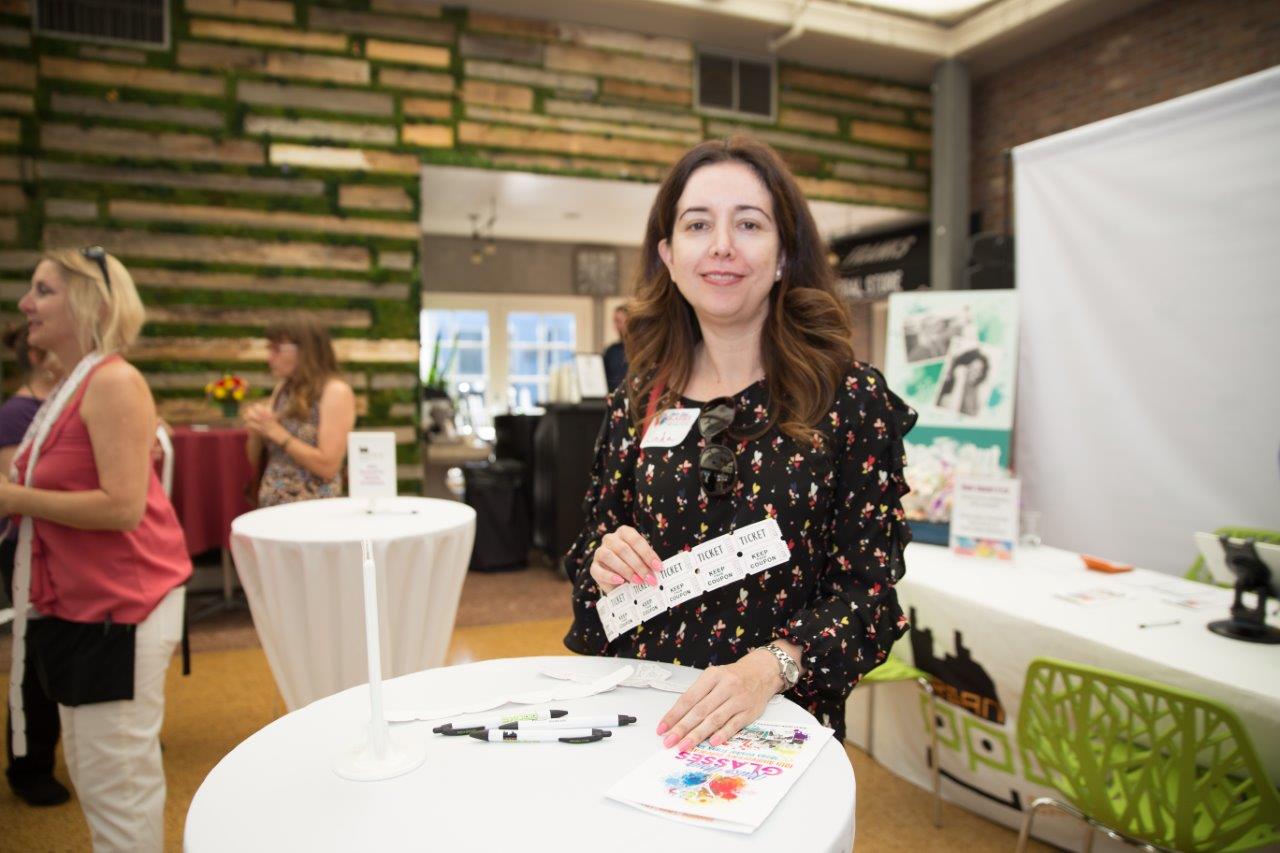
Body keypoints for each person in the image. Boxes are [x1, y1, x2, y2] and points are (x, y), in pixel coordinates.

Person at [563, 137, 917, 751]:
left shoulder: (848, 399)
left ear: (783, 255)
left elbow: (871, 597)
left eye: (749, 223)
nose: (722, 244)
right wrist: (603, 556)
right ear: (669, 255)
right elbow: (591, 550)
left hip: (776, 724)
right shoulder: (637, 400)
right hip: (645, 714)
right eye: (698, 224)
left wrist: (768, 668)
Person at [0, 247, 192, 851]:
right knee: (96, 772)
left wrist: (10, 496)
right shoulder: (70, 386)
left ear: (92, 303)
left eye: (44, 290)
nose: (26, 305)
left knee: (119, 785)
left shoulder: (113, 381)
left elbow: (121, 507)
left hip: (120, 612)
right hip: (82, 607)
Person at [0, 325, 68, 806]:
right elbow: (11, 494)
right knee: (35, 654)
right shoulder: (18, 414)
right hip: (29, 548)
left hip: (69, 546)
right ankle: (29, 762)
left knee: (70, 647)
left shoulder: (68, 404)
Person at [243, 316, 355, 507]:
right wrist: (256, 433)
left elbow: (328, 467)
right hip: (272, 511)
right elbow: (255, 460)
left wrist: (277, 434)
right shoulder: (283, 389)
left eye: (277, 349)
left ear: (306, 350)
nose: (269, 357)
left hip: (312, 515)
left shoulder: (335, 391)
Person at [602, 304, 629, 392]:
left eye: (619, 321)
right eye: (615, 321)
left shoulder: (641, 351)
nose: (616, 327)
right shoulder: (611, 351)